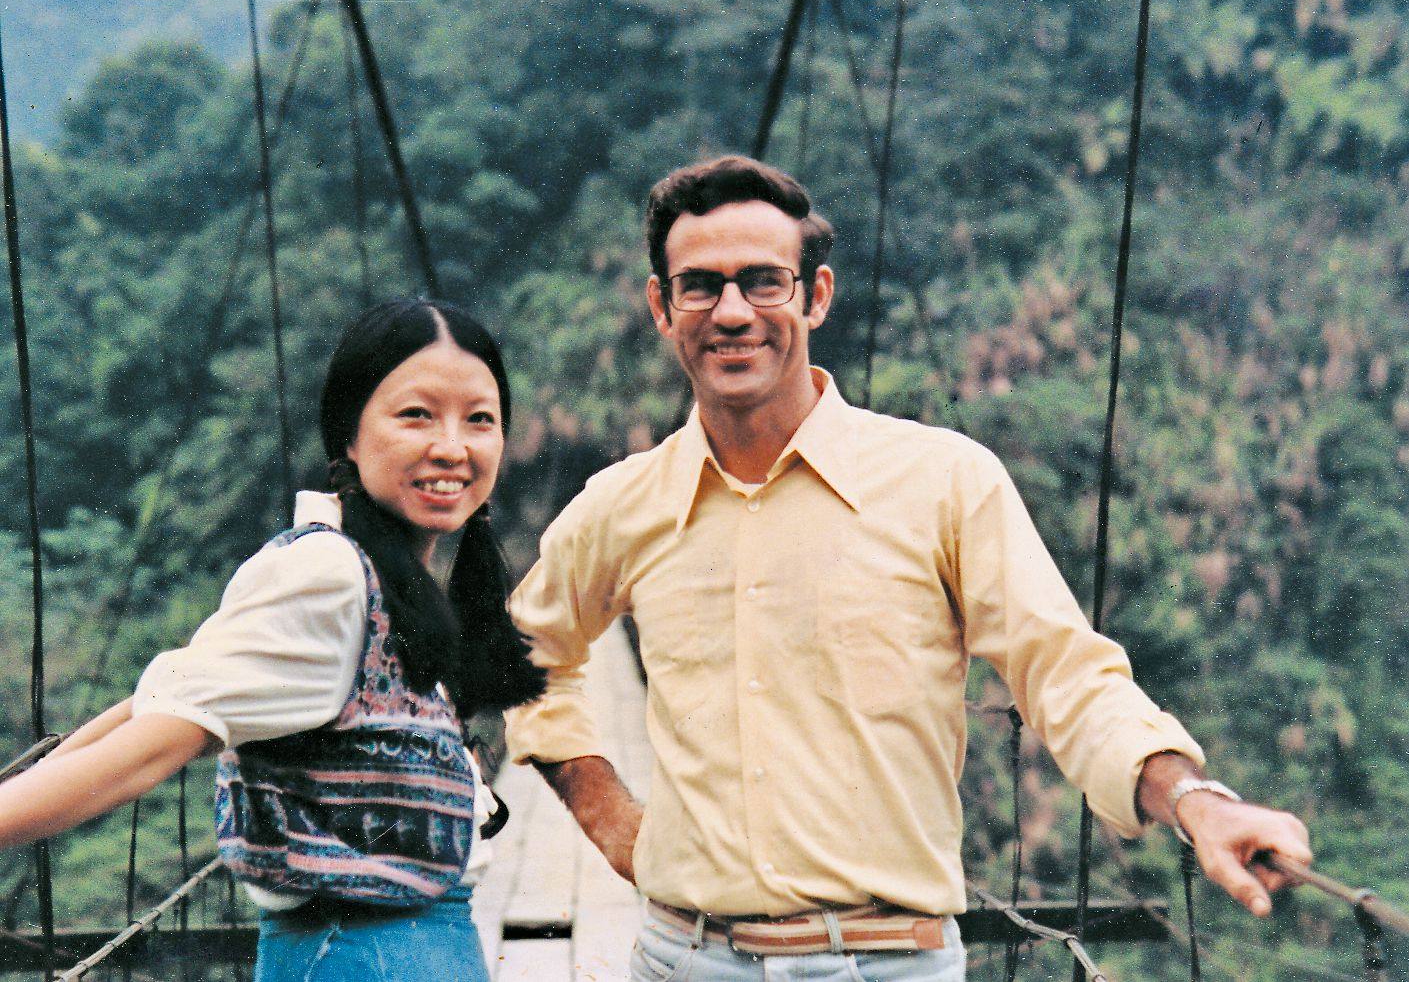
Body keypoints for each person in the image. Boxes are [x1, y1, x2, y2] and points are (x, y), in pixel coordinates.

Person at [505, 156, 1313, 981]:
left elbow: (1065, 675)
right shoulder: (622, 505)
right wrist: (603, 809)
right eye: (701, 286)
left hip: (889, 963)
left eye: (763, 281)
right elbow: (520, 654)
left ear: (816, 295)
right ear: (661, 306)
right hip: (683, 957)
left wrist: (1192, 801)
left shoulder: (942, 482)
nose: (734, 312)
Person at [0, 297, 545, 982]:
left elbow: (174, 693)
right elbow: (153, 747)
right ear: (346, 434)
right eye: (416, 414)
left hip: (397, 946)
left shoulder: (381, 578)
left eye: (479, 419)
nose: (451, 445)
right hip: (366, 952)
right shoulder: (328, 575)